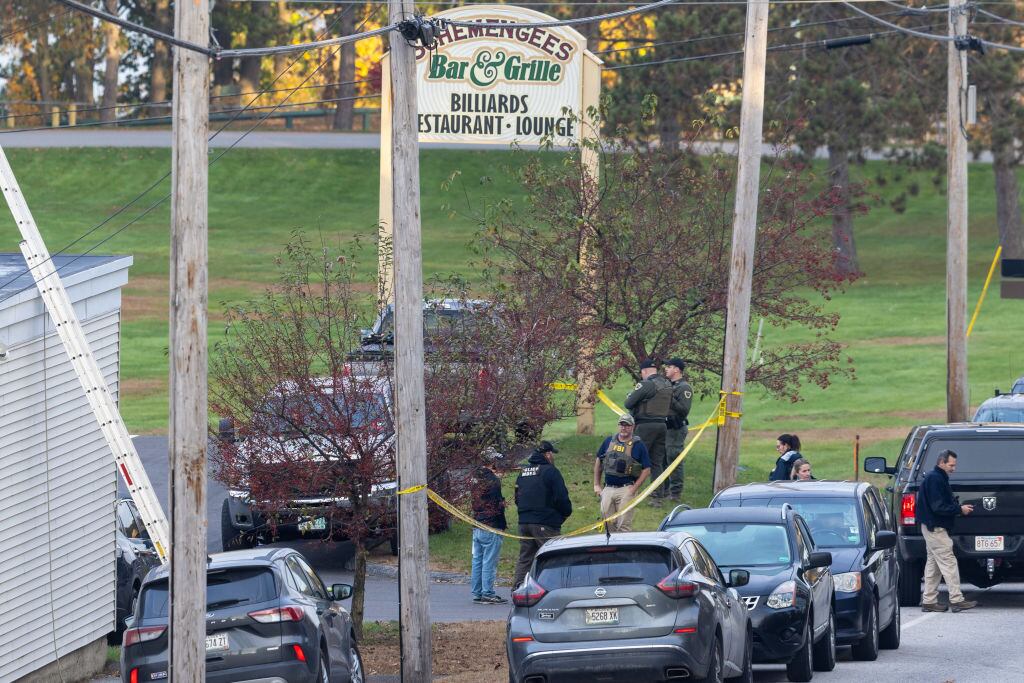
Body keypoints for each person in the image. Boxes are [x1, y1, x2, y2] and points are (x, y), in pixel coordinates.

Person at [917, 450, 977, 612]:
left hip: (930, 527)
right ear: (941, 462)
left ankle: (928, 601)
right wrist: (959, 509)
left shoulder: (934, 478)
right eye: (951, 465)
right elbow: (939, 507)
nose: (953, 468)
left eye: (954, 465)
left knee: (934, 564)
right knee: (949, 562)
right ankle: (956, 600)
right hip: (935, 528)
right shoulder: (935, 479)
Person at [512, 440, 572, 590]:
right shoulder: (551, 471)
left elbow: (517, 498)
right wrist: (565, 514)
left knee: (525, 558)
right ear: (547, 454)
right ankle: (553, 591)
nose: (552, 457)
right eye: (551, 453)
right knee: (553, 557)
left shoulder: (523, 472)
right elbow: (561, 497)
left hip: (524, 523)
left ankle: (518, 589)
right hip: (545, 523)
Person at [624, 358, 673, 504]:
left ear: (644, 371)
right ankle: (657, 496)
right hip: (662, 426)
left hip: (645, 425)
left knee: (634, 457)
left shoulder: (646, 384)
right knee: (656, 462)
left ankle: (629, 491)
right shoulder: (667, 384)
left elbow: (629, 403)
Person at [593, 414, 652, 533]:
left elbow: (647, 469)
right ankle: (611, 547)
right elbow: (599, 461)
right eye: (622, 424)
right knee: (607, 522)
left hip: (626, 489)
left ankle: (624, 549)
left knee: (623, 525)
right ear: (618, 426)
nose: (624, 428)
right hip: (608, 488)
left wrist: (634, 489)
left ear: (633, 427)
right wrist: (596, 484)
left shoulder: (638, 445)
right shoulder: (608, 441)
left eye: (627, 425)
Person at [470, 461, 508, 604]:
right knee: (489, 562)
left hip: (478, 524)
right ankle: (488, 593)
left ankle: (477, 592)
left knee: (477, 560)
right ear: (492, 464)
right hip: (492, 525)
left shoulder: (474, 479)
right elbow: (497, 504)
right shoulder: (493, 481)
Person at [663, 357, 692, 501]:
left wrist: (669, 397)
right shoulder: (668, 385)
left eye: (669, 366)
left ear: (677, 370)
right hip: (664, 428)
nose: (666, 369)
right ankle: (663, 490)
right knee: (662, 459)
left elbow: (684, 410)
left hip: (675, 429)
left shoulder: (684, 387)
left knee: (674, 459)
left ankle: (675, 493)